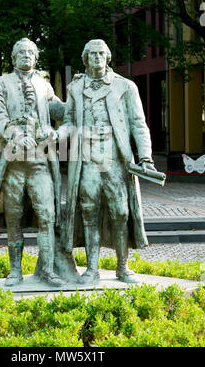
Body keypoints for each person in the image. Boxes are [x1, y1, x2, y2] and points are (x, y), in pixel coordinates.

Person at [58, 39, 156, 284]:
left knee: (120, 212)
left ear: (108, 57)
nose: (97, 58)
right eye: (92, 54)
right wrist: (57, 136)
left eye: (101, 53)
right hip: (87, 161)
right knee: (88, 212)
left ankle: (123, 267)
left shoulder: (126, 87)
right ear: (85, 59)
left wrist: (145, 156)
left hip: (115, 161)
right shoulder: (75, 88)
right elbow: (68, 121)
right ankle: (92, 269)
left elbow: (138, 124)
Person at [0, 38, 65, 287]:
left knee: (47, 215)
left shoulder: (44, 86)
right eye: (21, 52)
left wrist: (78, 96)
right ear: (13, 57)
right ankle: (15, 271)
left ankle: (48, 271)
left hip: (41, 160)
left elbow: (60, 112)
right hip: (12, 164)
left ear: (36, 57)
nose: (26, 55)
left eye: (30, 52)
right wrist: (15, 134)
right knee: (13, 217)